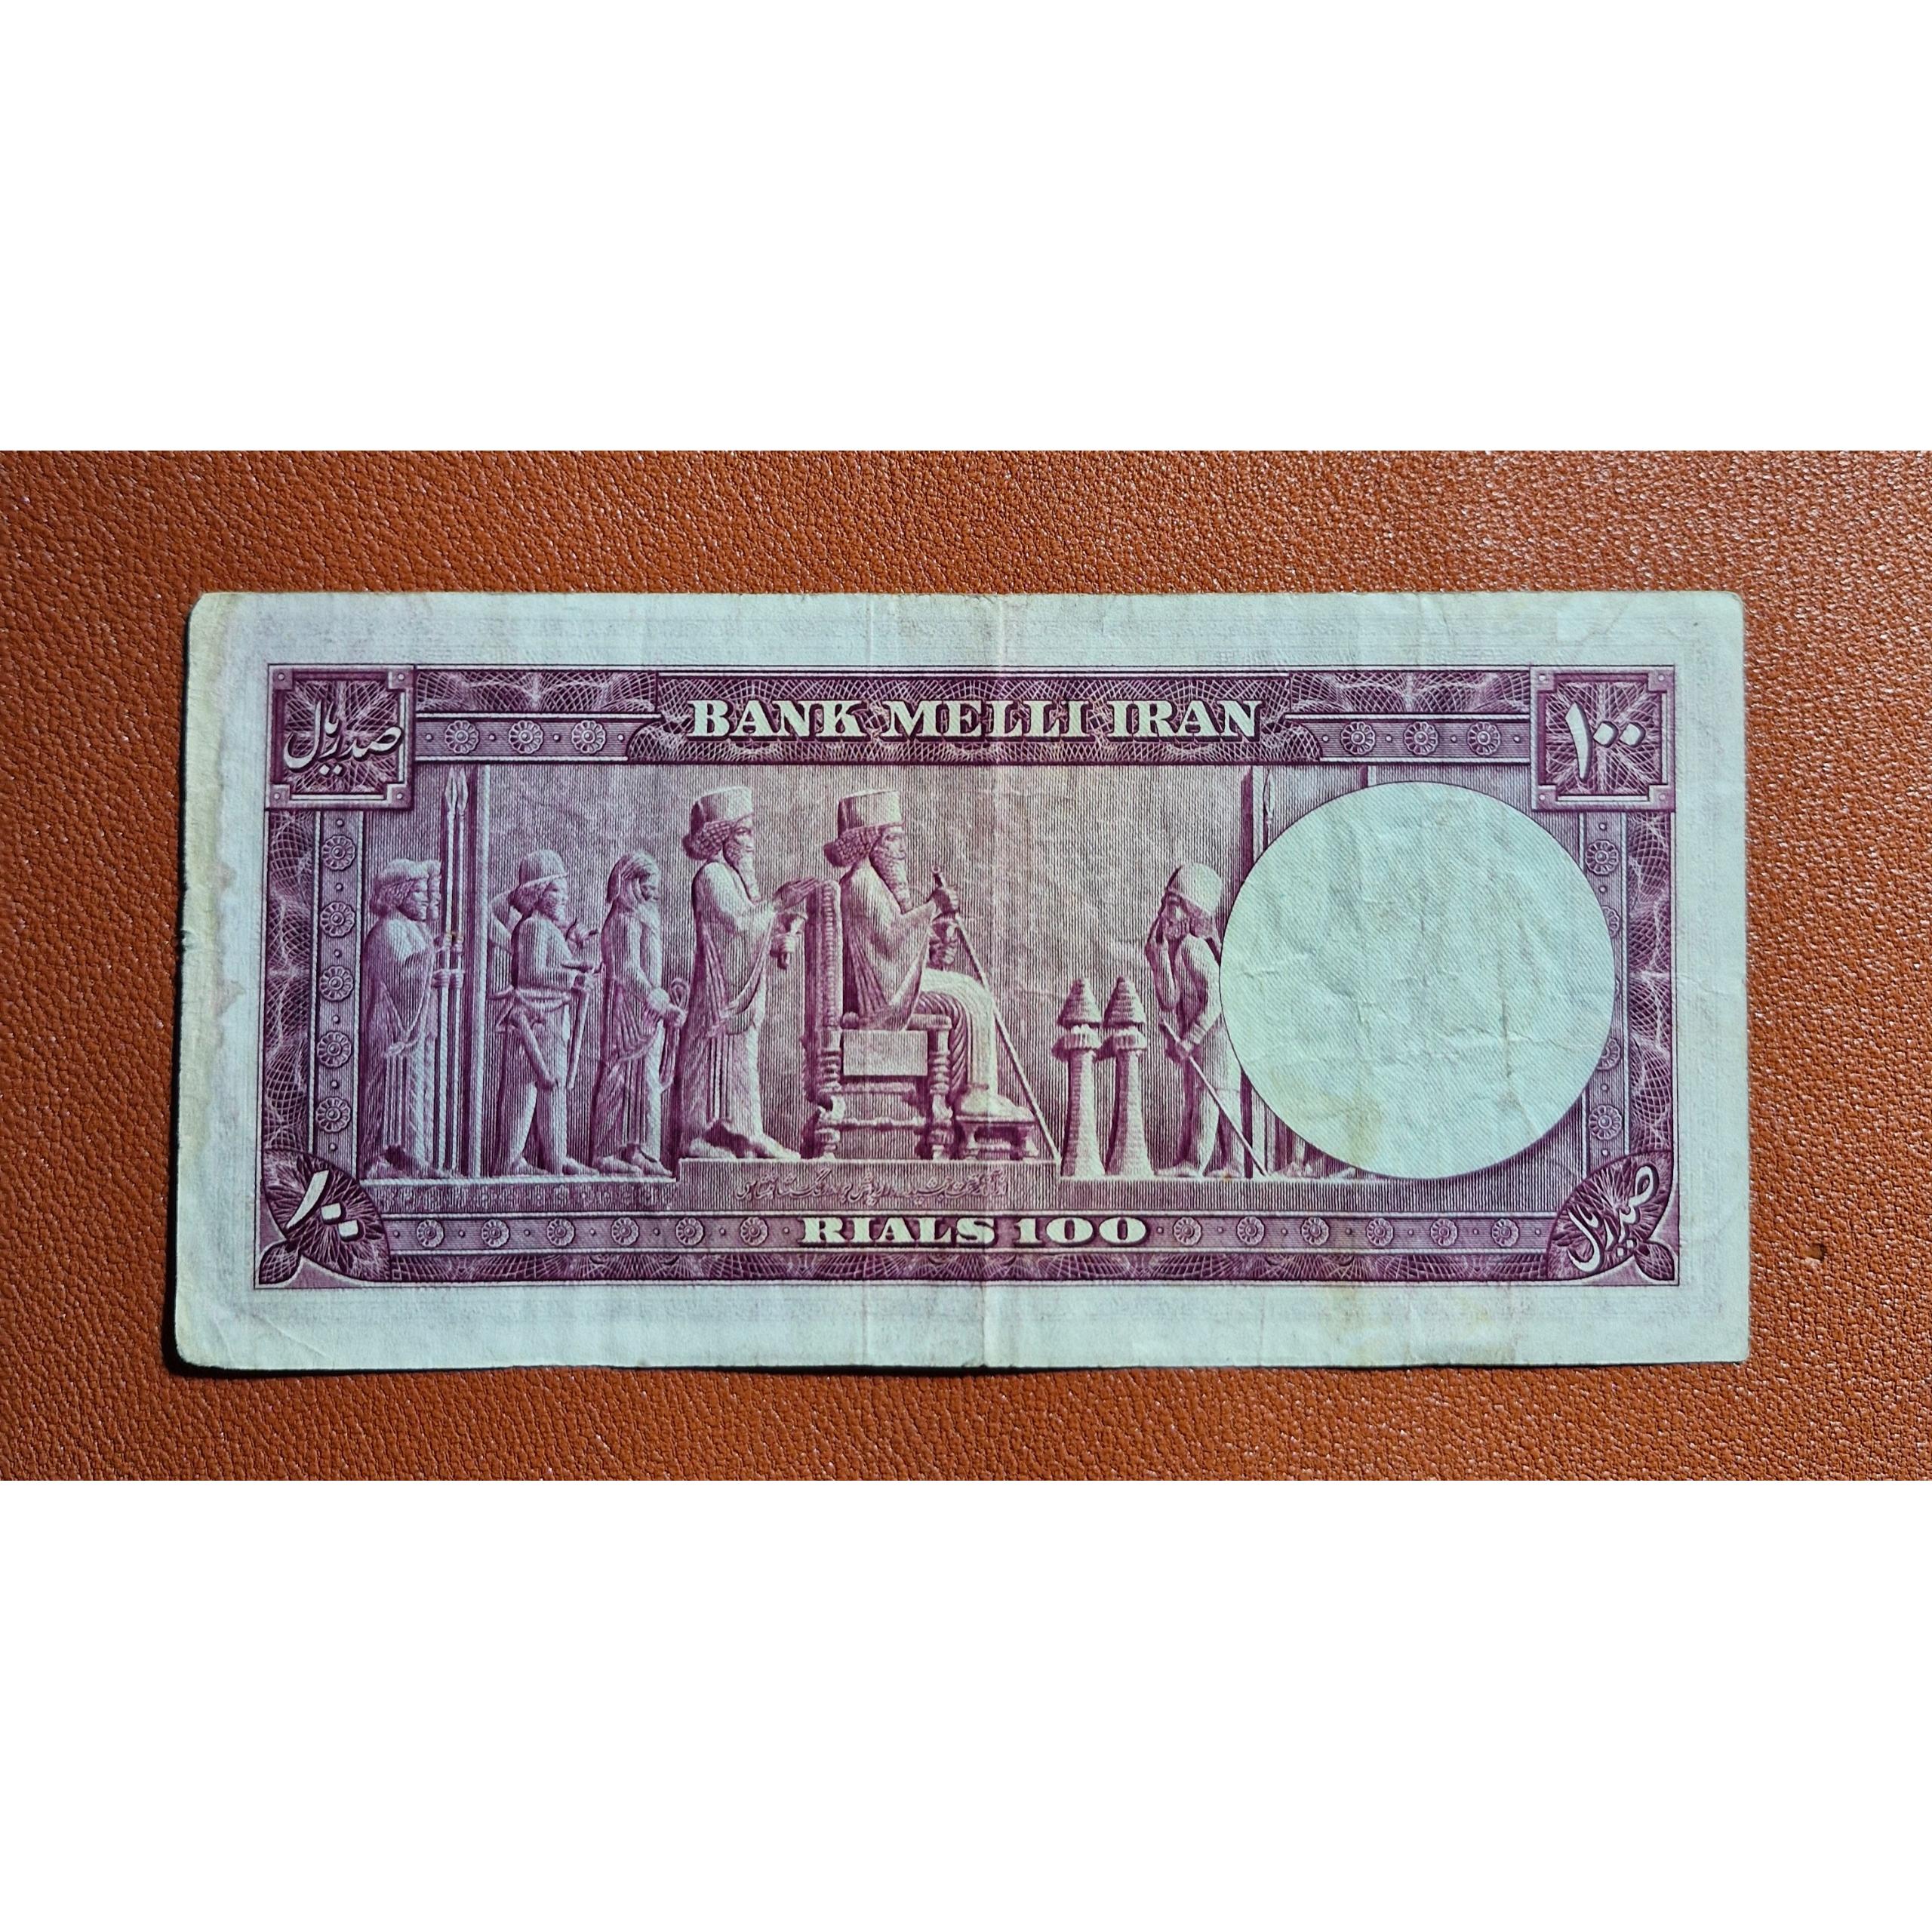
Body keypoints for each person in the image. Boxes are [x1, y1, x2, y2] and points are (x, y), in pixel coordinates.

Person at [826, 789, 1026, 1121]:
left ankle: (973, 1093)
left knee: (972, 991)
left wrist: (933, 940)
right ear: (870, 842)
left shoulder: (871, 883)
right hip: (883, 1005)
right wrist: (934, 907)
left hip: (891, 989)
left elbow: (892, 943)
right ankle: (971, 1097)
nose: (902, 850)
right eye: (893, 839)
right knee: (967, 1000)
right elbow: (891, 943)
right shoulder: (862, 885)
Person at [673, 788, 809, 1160]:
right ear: (724, 836)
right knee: (708, 1059)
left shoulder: (731, 877)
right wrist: (778, 903)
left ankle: (748, 1133)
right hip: (718, 995)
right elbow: (736, 924)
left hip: (740, 995)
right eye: (745, 832)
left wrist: (778, 936)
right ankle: (696, 1137)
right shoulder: (712, 875)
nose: (752, 842)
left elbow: (750, 931)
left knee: (743, 1060)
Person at [493, 849, 597, 1175]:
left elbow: (555, 964)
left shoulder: (547, 928)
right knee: (526, 1090)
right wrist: (573, 979)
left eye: (564, 890)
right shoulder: (533, 928)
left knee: (554, 1090)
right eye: (555, 890)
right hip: (534, 1024)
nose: (564, 897)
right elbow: (532, 973)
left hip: (552, 1021)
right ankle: (510, 1161)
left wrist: (578, 964)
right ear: (537, 893)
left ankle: (556, 1158)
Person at [588, 852, 683, 1177]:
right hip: (627, 1011)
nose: (653, 893)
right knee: (618, 1076)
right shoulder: (622, 921)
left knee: (646, 1081)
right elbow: (627, 970)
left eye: (655, 888)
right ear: (630, 883)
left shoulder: (644, 916)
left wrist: (660, 1001)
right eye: (647, 887)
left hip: (646, 1012)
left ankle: (641, 1151)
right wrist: (659, 1001)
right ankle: (604, 1152)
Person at [1145, 863, 1241, 1177]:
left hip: (1217, 1039)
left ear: (1190, 912)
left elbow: (1218, 999)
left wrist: (1190, 1039)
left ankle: (1195, 1163)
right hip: (1206, 1040)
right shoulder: (1180, 950)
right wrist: (1158, 957)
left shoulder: (1193, 948)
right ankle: (1234, 1165)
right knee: (1215, 1099)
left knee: (1208, 1098)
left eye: (1172, 905)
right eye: (1165, 903)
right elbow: (1170, 1000)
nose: (1164, 913)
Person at [358, 858, 453, 1177]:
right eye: (419, 893)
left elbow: (418, 975)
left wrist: (436, 973)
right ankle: (377, 1159)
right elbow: (401, 979)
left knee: (418, 1091)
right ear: (397, 895)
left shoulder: (414, 928)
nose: (427, 900)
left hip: (417, 1024)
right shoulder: (389, 930)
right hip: (393, 1026)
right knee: (391, 1091)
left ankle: (414, 1157)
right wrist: (432, 957)